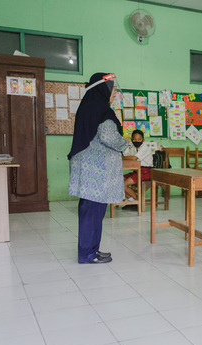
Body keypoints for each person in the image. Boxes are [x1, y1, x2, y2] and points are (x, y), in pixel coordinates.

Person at [68, 73, 128, 264]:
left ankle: (92, 251)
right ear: (103, 89)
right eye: (113, 90)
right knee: (92, 213)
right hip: (97, 173)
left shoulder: (88, 107)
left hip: (90, 171)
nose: (115, 94)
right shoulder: (102, 111)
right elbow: (109, 138)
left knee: (92, 212)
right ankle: (87, 254)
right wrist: (124, 142)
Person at [122, 129, 153, 209]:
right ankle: (133, 203)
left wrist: (123, 157)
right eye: (135, 139)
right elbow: (126, 155)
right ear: (132, 140)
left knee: (123, 185)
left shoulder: (145, 148)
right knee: (119, 181)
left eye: (139, 139)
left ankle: (138, 202)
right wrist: (127, 145)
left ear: (143, 140)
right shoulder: (133, 147)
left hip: (146, 172)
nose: (137, 141)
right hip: (136, 171)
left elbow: (133, 158)